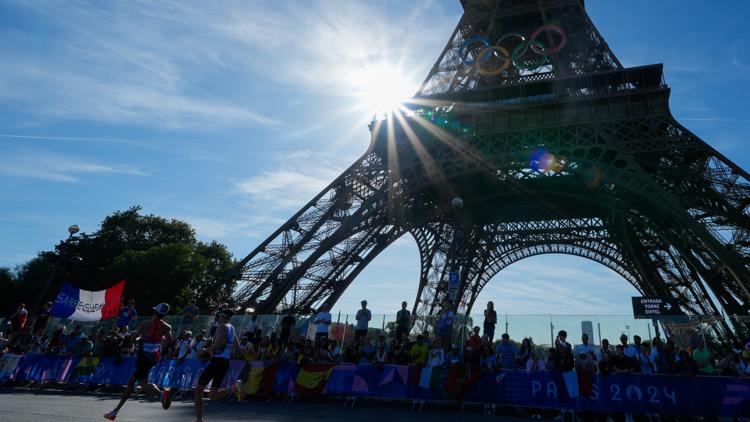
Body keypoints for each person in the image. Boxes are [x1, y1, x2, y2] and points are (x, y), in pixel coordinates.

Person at [104, 303, 174, 420]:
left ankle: (162, 394)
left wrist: (140, 339)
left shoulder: (145, 323)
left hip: (142, 357)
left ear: (154, 312)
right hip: (153, 357)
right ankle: (115, 411)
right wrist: (159, 339)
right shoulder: (167, 326)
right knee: (134, 382)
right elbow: (170, 341)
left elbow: (133, 339)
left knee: (140, 383)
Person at [195, 308, 239, 422]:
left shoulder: (222, 326)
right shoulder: (232, 328)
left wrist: (204, 351)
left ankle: (199, 419)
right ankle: (233, 389)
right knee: (212, 395)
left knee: (199, 390)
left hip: (217, 362)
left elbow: (219, 345)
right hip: (224, 362)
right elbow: (236, 346)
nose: (217, 318)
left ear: (222, 316)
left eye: (218, 316)